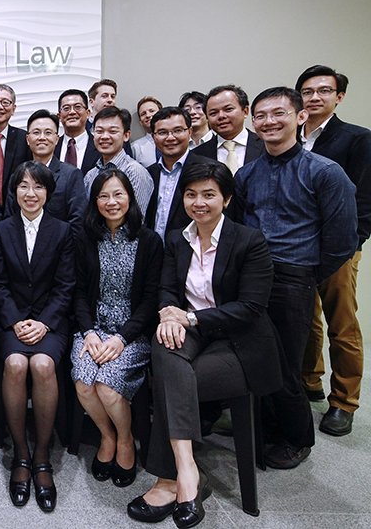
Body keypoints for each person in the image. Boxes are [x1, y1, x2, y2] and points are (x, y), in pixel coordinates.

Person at [127, 163, 282, 528]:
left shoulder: (249, 241)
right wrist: (168, 312)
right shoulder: (177, 238)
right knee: (165, 352)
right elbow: (167, 288)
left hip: (239, 341)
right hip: (189, 330)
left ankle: (168, 482)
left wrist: (190, 318)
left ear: (226, 199)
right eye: (191, 194)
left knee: (171, 378)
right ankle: (187, 472)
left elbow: (250, 308)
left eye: (209, 194)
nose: (199, 202)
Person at [236, 87, 357, 469]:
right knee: (256, 358)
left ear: (300, 117)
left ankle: (296, 438)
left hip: (294, 278)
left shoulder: (324, 172)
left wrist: (305, 276)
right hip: (251, 278)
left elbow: (342, 240)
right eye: (262, 116)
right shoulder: (247, 174)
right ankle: (266, 428)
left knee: (287, 363)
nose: (269, 121)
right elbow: (238, 226)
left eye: (279, 113)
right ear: (254, 123)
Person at [0, 161, 75, 513]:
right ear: (14, 192)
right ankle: (20, 455)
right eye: (23, 186)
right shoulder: (0, 230)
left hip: (50, 322)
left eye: (38, 186)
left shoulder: (63, 230)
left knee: (41, 364)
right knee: (14, 364)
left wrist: (44, 322)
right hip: (10, 322)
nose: (30, 193)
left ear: (48, 192)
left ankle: (42, 455)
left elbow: (66, 286)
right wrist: (15, 321)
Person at [71, 169, 162, 489]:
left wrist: (123, 338)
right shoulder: (84, 238)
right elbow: (78, 293)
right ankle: (107, 437)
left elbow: (151, 299)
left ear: (130, 198)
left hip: (132, 333)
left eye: (118, 194)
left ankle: (125, 441)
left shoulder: (149, 241)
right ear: (94, 201)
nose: (111, 202)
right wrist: (89, 332)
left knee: (107, 387)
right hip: (92, 329)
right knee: (84, 382)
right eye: (103, 196)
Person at [296, 65, 371, 436]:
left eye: (323, 91)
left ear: (338, 96)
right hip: (298, 246)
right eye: (307, 91)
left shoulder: (357, 139)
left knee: (342, 325)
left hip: (338, 248)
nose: (314, 97)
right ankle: (311, 380)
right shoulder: (290, 135)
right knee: (306, 319)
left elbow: (366, 199)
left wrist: (353, 242)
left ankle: (344, 401)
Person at [7, 109, 85, 239]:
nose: (42, 137)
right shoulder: (17, 175)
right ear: (27, 139)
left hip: (60, 251)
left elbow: (77, 222)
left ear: (56, 139)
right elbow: (9, 218)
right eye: (36, 132)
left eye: (48, 133)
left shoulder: (71, 175)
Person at [144, 107, 218, 243]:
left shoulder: (209, 169)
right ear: (154, 137)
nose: (170, 138)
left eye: (177, 131)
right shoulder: (148, 174)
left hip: (193, 253)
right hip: (154, 255)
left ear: (189, 132)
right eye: (162, 132)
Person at [84, 107, 154, 216]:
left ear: (126, 135)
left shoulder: (135, 172)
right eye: (99, 131)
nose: (104, 136)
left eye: (112, 131)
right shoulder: (90, 175)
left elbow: (137, 221)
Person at [192, 85, 264, 174]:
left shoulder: (266, 146)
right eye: (213, 113)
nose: (221, 116)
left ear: (245, 111)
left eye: (228, 109)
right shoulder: (197, 154)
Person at [54, 89, 99, 174]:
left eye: (77, 107)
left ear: (88, 113)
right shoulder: (52, 147)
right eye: (66, 108)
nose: (72, 112)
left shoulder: (99, 146)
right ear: (59, 116)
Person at [132, 96, 163, 168]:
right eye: (143, 114)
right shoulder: (135, 148)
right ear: (140, 122)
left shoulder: (174, 139)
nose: (148, 115)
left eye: (151, 111)